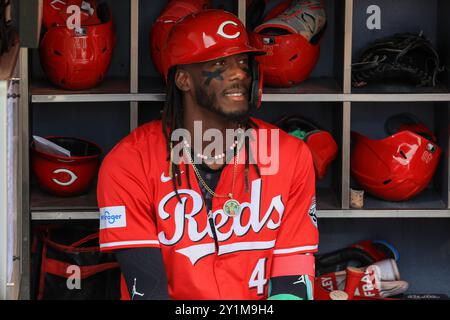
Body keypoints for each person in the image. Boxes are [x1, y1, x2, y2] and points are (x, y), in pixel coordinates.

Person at [97, 9, 318, 300]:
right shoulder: (129, 163)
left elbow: (294, 279)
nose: (239, 73)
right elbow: (147, 291)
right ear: (184, 80)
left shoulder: (290, 155)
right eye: (221, 63)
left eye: (242, 62)